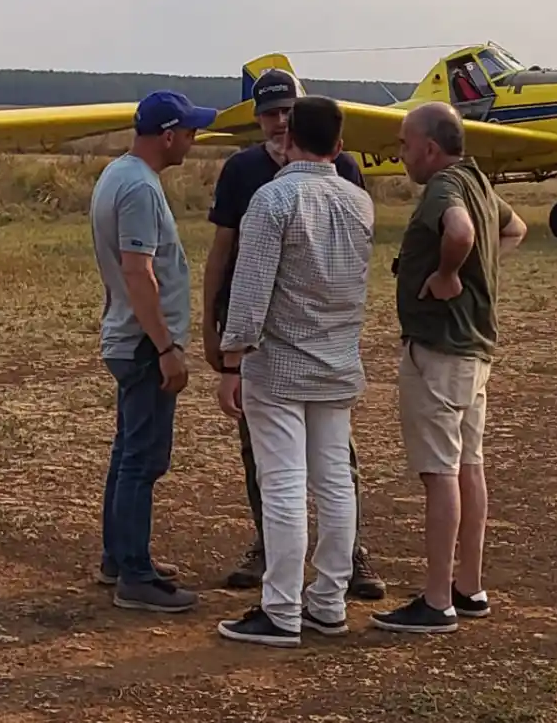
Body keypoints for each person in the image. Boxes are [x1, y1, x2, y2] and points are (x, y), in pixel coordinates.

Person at [202, 68, 385, 600]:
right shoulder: (245, 173)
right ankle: (305, 578)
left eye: (288, 113)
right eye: (270, 113)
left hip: (293, 351)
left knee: (312, 471)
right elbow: (226, 257)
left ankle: (308, 587)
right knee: (277, 463)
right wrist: (214, 329)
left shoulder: (303, 188)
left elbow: (302, 273)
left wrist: (236, 357)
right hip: (307, 349)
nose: (279, 122)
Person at [371, 101, 527, 634]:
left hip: (439, 349)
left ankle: (437, 599)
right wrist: (479, 273)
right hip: (472, 351)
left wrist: (446, 275)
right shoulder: (479, 181)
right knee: (469, 467)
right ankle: (469, 585)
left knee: (440, 474)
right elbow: (515, 229)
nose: (402, 153)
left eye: (405, 144)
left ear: (430, 148)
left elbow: (458, 233)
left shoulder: (444, 188)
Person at [90, 88, 218, 614]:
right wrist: (166, 346)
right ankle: (135, 577)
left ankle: (120, 557)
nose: (192, 139)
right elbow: (138, 272)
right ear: (167, 135)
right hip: (143, 343)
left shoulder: (117, 175)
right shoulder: (141, 190)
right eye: (188, 130)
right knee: (143, 458)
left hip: (126, 335)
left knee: (128, 453)